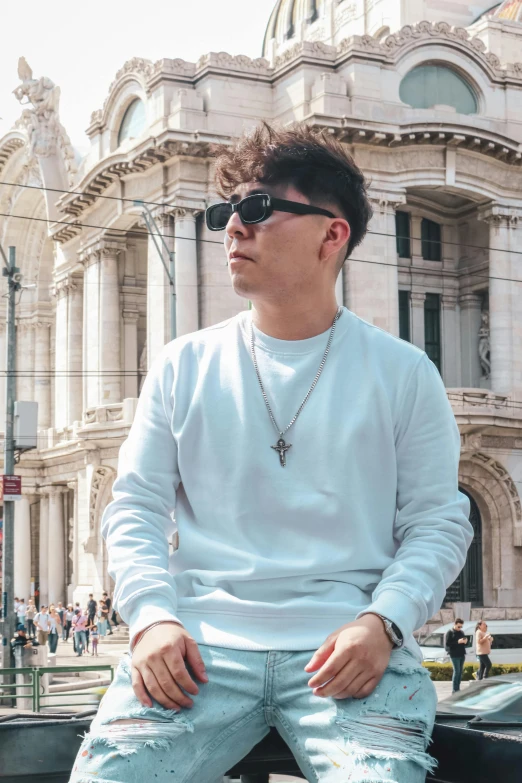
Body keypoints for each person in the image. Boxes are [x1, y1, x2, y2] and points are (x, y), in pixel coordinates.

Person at [70, 122, 473, 783]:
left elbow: (439, 519)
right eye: (226, 212)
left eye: (257, 209)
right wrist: (150, 618)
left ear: (332, 234)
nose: (234, 227)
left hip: (350, 648)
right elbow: (134, 508)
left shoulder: (404, 373)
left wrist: (384, 622)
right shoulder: (181, 365)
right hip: (195, 647)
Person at [445, 618, 468, 693]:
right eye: (458, 626)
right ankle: (455, 689)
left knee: (460, 671)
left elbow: (464, 642)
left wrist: (465, 641)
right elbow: (447, 644)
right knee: (457, 671)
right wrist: (457, 642)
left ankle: (458, 688)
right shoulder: (450, 632)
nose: (460, 628)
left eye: (461, 627)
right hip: (454, 655)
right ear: (454, 624)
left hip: (462, 654)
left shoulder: (461, 632)